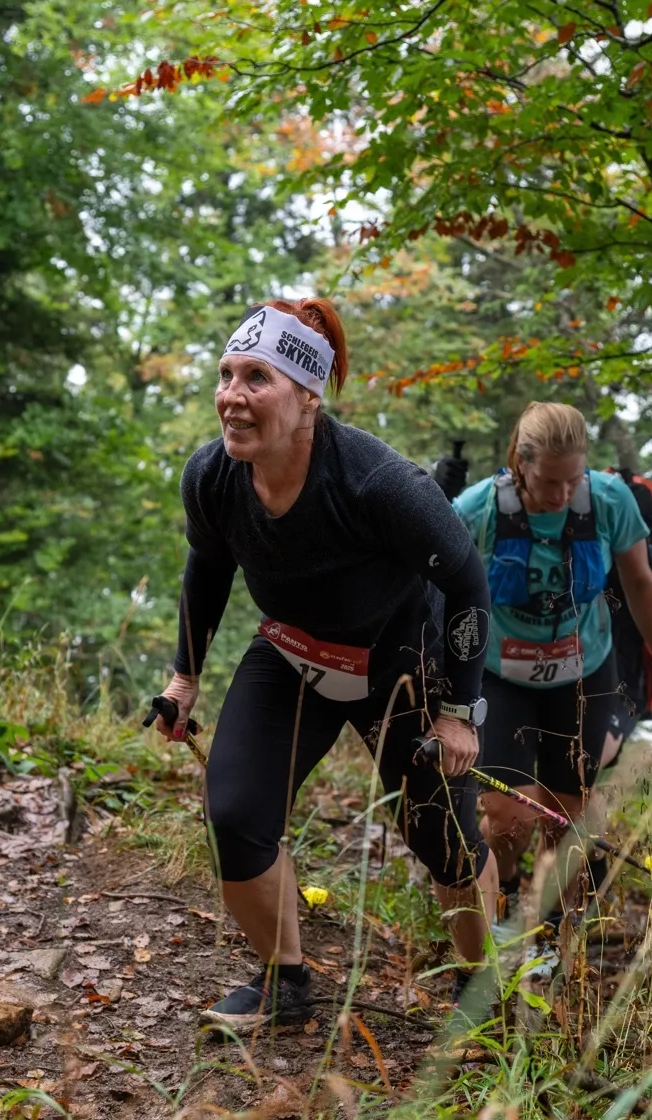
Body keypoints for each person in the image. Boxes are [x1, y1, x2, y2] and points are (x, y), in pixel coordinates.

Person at [153, 297, 500, 1032]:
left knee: (442, 834)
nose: (231, 397)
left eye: (256, 378)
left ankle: (486, 989)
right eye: (225, 375)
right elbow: (206, 567)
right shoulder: (212, 477)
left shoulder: (378, 483)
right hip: (292, 651)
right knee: (236, 814)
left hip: (401, 660)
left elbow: (467, 584)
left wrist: (457, 712)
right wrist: (184, 677)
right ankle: (285, 982)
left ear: (307, 396)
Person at [445, 403, 652, 937]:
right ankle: (503, 901)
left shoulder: (608, 500)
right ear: (520, 462)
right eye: (549, 481)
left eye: (572, 480)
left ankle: (553, 932)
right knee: (509, 818)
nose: (560, 494)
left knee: (565, 818)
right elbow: (446, 594)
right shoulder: (479, 509)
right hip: (500, 676)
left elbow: (643, 583)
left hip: (582, 678)